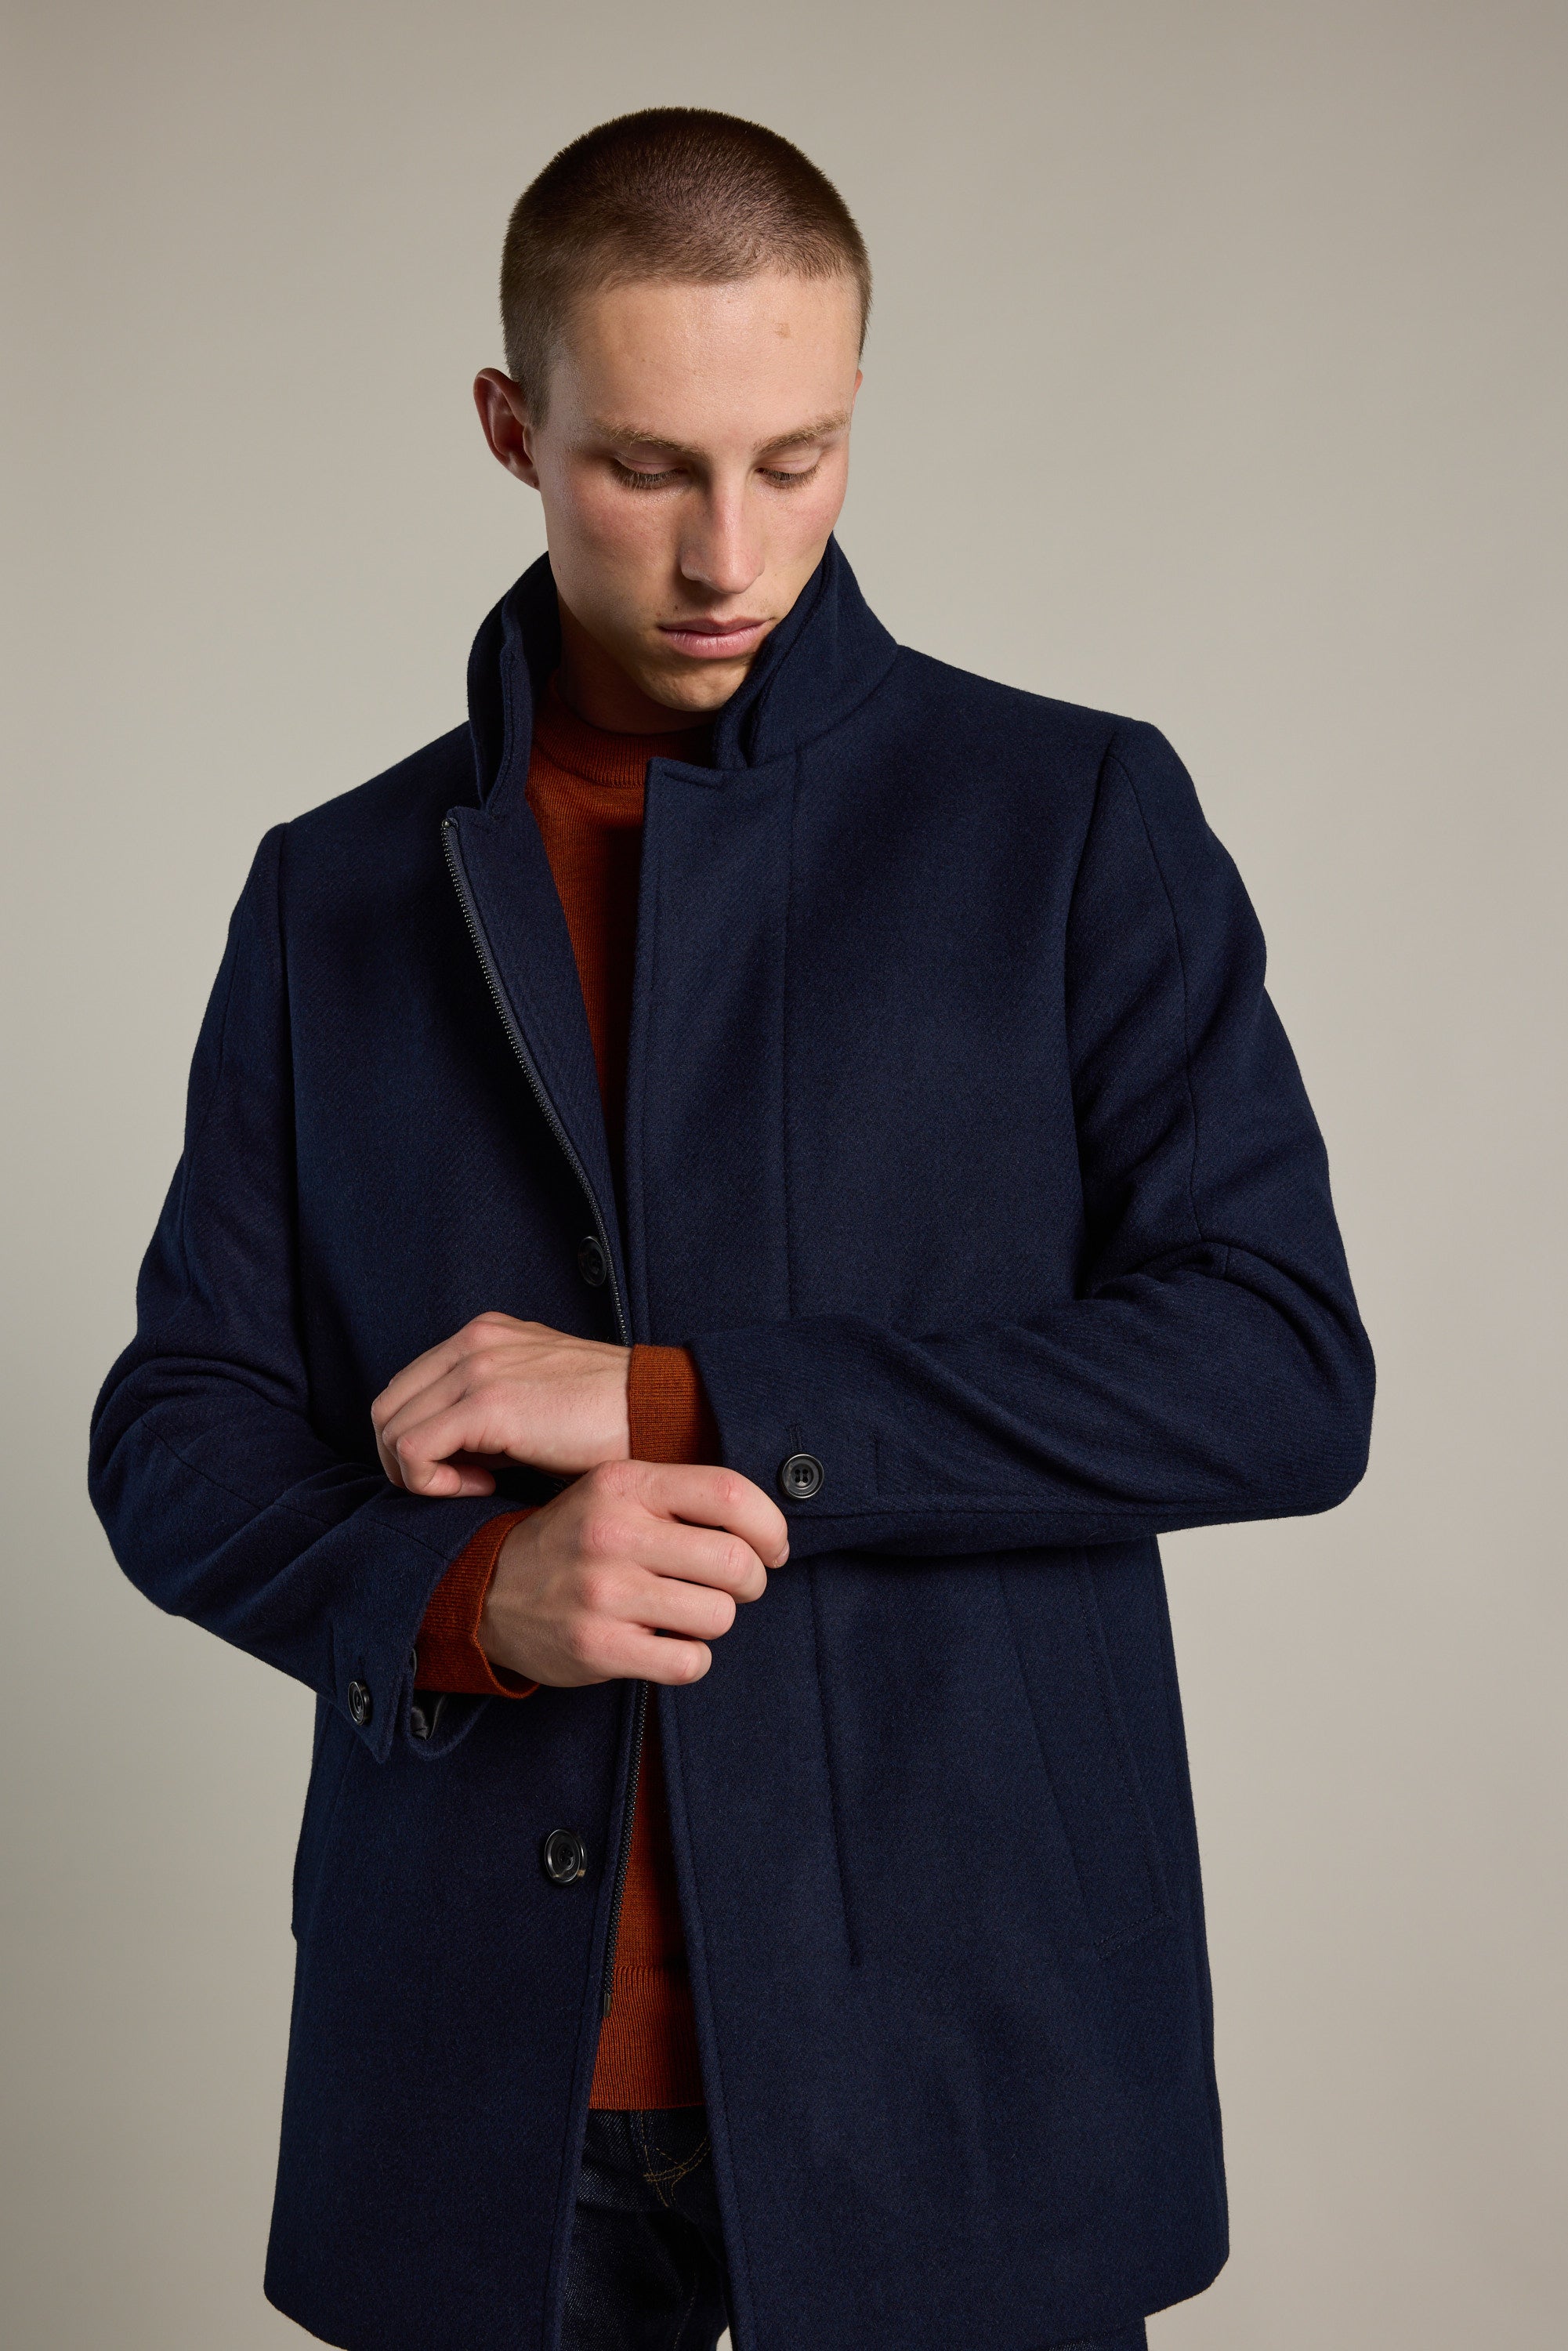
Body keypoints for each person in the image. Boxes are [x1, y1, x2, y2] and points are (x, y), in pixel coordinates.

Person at [89, 107, 1374, 2351]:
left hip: (958, 2063)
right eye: (647, 468)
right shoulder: (337, 892)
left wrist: (687, 1402)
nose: (726, 553)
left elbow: (1275, 1369)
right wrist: (474, 1591)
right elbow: (177, 1427)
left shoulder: (1069, 818)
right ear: (512, 427)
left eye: (794, 460)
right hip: (480, 2081)